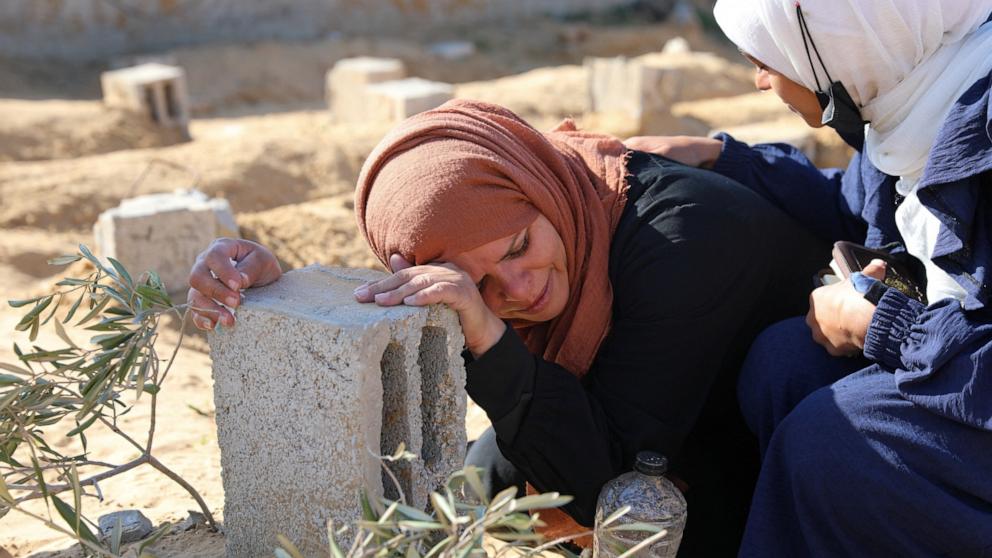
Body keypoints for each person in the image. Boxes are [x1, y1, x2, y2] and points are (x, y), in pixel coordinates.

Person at [187, 99, 829, 554]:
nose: (519, 290)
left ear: (540, 191)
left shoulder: (684, 238)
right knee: (484, 479)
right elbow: (428, 285)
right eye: (481, 286)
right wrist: (286, 285)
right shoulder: (549, 206)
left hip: (769, 439)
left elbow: (601, 487)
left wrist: (487, 332)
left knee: (635, 518)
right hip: (646, 409)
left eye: (519, 245)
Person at [628, 0, 992, 555]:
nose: (759, 80)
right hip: (961, 372)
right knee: (784, 362)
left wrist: (884, 324)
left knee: (829, 441)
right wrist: (723, 158)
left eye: (769, 60)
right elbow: (854, 202)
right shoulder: (918, 95)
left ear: (839, 44)